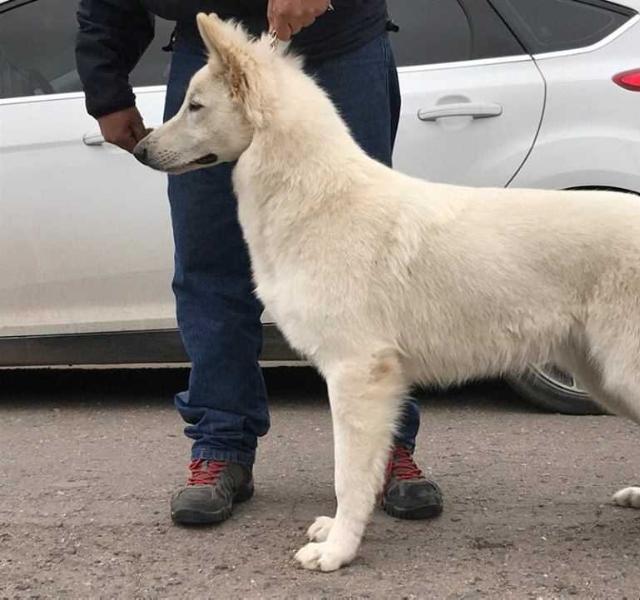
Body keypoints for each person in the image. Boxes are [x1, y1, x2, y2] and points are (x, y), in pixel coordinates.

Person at [75, 0, 443, 524]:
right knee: (210, 263)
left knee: (365, 269)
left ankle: (385, 450)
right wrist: (106, 87)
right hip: (213, 50)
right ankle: (221, 444)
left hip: (337, 46)